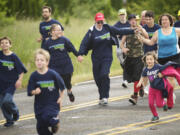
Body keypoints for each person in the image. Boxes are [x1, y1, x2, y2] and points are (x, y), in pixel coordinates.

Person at [77, 12, 135, 105]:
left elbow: (119, 31)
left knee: (104, 75)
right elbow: (84, 43)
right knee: (97, 78)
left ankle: (105, 97)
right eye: (98, 22)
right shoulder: (91, 31)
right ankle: (101, 95)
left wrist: (132, 30)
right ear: (95, 21)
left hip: (107, 57)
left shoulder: (107, 27)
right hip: (96, 58)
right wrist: (80, 54)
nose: (100, 24)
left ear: (103, 20)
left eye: (101, 21)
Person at [138, 13, 180, 103]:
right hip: (162, 58)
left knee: (172, 77)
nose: (164, 21)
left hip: (175, 57)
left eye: (166, 19)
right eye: (162, 20)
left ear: (170, 21)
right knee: (166, 77)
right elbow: (151, 42)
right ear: (160, 22)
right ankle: (170, 94)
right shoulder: (158, 32)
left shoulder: (176, 30)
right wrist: (142, 39)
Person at [27, 49, 65, 135]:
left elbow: (62, 87)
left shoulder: (53, 74)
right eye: (37, 60)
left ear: (47, 62)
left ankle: (55, 122)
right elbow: (29, 91)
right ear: (35, 62)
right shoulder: (34, 76)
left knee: (48, 117)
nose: (39, 62)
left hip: (52, 103)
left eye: (42, 60)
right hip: (39, 105)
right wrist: (34, 92)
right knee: (40, 128)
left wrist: (60, 98)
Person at [44, 24, 78, 102]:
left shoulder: (64, 40)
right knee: (56, 84)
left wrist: (78, 55)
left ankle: (69, 91)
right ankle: (57, 100)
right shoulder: (47, 43)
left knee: (67, 82)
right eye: (58, 30)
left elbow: (72, 49)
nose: (60, 31)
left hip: (66, 66)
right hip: (54, 67)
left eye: (60, 30)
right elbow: (44, 54)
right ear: (52, 32)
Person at [120, 14, 148, 105]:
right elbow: (122, 43)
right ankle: (141, 87)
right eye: (131, 20)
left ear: (137, 20)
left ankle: (135, 96)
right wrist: (123, 49)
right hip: (129, 57)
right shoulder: (127, 31)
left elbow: (147, 37)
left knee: (136, 77)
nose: (133, 21)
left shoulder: (140, 29)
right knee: (131, 77)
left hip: (139, 57)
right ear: (129, 21)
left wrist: (142, 31)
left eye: (134, 20)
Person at [0, 37, 27, 127]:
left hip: (11, 83)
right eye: (2, 43)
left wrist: (19, 80)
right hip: (1, 83)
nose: (4, 44)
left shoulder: (13, 56)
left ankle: (15, 111)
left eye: (6, 43)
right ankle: (9, 120)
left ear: (10, 45)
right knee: (2, 103)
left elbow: (21, 70)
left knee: (7, 101)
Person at [136, 52, 170, 122]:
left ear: (154, 59)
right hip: (152, 88)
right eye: (147, 59)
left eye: (151, 59)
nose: (149, 61)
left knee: (159, 105)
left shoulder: (158, 66)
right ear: (145, 61)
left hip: (159, 89)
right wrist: (140, 83)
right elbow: (142, 76)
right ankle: (155, 116)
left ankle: (164, 103)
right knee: (150, 103)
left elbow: (166, 71)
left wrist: (162, 74)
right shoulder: (145, 69)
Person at [114, 8, 130, 88]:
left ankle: (125, 80)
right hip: (120, 42)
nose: (122, 16)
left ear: (126, 15)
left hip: (129, 43)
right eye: (121, 15)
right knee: (120, 57)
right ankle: (127, 71)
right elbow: (113, 35)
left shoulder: (129, 23)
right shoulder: (116, 25)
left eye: (123, 14)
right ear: (119, 16)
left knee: (127, 62)